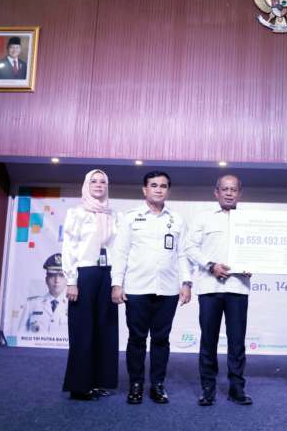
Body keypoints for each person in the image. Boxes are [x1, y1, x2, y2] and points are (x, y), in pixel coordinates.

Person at [111, 171, 191, 405]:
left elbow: (182, 254)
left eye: (163, 186)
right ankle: (135, 385)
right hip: (137, 288)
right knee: (137, 339)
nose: (158, 189)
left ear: (168, 190)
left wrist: (186, 283)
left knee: (161, 339)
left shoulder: (177, 219)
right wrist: (117, 284)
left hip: (168, 289)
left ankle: (157, 385)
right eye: (154, 185)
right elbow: (121, 253)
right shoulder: (130, 218)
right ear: (144, 190)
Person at [184, 175, 253, 406]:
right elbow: (190, 248)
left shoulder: (249, 220)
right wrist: (211, 265)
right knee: (208, 341)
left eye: (233, 189)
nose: (229, 193)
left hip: (238, 288)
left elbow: (257, 250)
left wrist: (254, 263)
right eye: (225, 189)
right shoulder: (203, 218)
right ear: (216, 192)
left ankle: (237, 388)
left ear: (239, 193)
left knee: (237, 342)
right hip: (209, 288)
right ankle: (208, 388)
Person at [61, 169, 119, 401]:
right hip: (84, 274)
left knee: (106, 330)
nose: (98, 185)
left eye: (103, 181)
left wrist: (118, 280)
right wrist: (71, 281)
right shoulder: (76, 213)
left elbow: (117, 248)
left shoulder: (113, 214)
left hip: (108, 274)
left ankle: (98, 382)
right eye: (94, 181)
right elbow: (69, 247)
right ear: (86, 185)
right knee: (82, 330)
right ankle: (79, 386)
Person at [19, 253, 68, 334]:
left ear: (67, 280)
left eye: (61, 276)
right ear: (46, 279)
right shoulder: (31, 305)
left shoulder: (74, 306)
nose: (56, 280)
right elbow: (20, 335)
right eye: (52, 275)